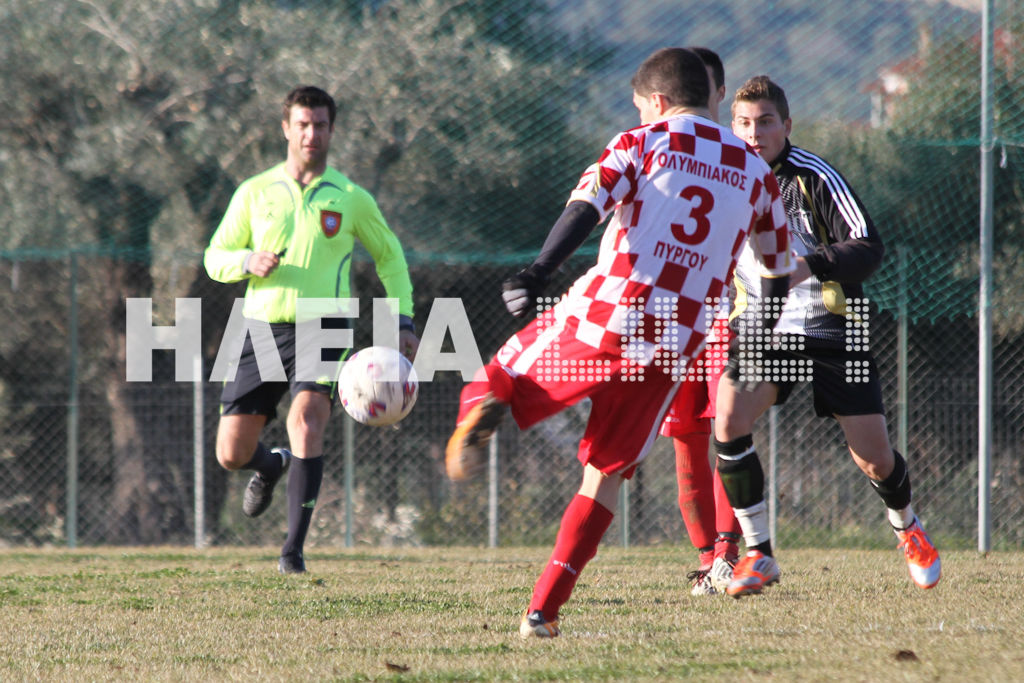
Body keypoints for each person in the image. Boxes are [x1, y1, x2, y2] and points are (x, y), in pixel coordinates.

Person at [444, 48, 793, 638]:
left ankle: (484, 407)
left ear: (656, 103)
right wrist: (759, 334)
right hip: (677, 342)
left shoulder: (638, 143)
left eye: (639, 107)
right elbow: (777, 270)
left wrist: (538, 271)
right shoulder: (756, 170)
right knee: (605, 472)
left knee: (497, 375)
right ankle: (544, 611)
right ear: (707, 96)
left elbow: (586, 206)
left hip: (609, 316)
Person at [717, 75, 940, 597]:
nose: (755, 134)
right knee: (728, 418)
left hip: (833, 329)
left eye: (766, 122)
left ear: (787, 126)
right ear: (732, 126)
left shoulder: (813, 177)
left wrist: (807, 266)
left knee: (874, 458)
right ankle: (759, 554)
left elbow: (868, 246)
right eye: (744, 123)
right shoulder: (721, 180)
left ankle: (907, 527)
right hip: (765, 329)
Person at [204, 86, 419, 574]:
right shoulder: (255, 192)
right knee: (231, 454)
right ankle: (269, 463)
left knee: (307, 421)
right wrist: (245, 260)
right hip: (261, 327)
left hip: (325, 325)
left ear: (331, 130)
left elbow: (391, 259)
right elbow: (214, 258)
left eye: (320, 125)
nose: (311, 134)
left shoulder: (350, 198)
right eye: (302, 124)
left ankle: (292, 552)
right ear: (285, 128)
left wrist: (402, 319)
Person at [658, 46, 742, 597]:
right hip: (672, 317)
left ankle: (731, 556)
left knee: (730, 431)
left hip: (728, 319)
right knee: (684, 437)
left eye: (707, 89)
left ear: (717, 94)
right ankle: (706, 556)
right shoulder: (660, 152)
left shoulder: (741, 158)